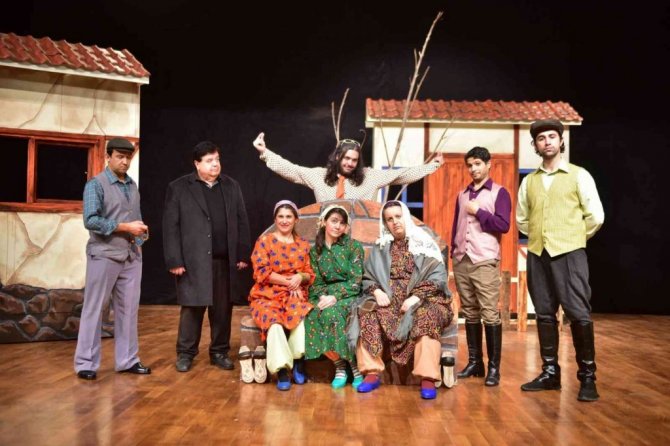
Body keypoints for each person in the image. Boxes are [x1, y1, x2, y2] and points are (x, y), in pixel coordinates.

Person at [517, 119, 604, 402]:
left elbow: (595, 216)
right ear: (535, 145)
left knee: (578, 313)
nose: (547, 142)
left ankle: (587, 377)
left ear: (561, 141)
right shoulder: (529, 181)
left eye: (552, 136)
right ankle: (550, 374)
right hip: (537, 254)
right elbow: (521, 219)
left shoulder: (579, 175)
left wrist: (573, 238)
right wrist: (541, 237)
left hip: (570, 253)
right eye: (541, 138)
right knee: (544, 313)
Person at [349, 200, 453, 399]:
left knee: (427, 316)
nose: (395, 222)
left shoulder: (423, 244)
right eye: (389, 219)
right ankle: (371, 373)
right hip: (389, 297)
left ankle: (428, 377)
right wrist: (376, 291)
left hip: (424, 297)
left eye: (398, 216)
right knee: (365, 311)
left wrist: (415, 297)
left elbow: (438, 277)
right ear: (385, 223)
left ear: (405, 216)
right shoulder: (381, 247)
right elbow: (368, 276)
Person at [162, 141, 251, 373]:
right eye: (209, 161)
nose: (215, 164)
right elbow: (170, 226)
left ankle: (219, 352)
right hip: (193, 261)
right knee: (192, 308)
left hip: (224, 260)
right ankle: (185, 353)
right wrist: (174, 260)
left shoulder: (231, 186)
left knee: (222, 309)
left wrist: (242, 253)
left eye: (217, 159)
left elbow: (242, 220)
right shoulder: (179, 187)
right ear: (197, 164)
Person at [74, 138, 150, 380]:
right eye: (120, 156)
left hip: (131, 256)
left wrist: (139, 238)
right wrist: (125, 227)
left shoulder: (132, 185)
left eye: (128, 157)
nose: (125, 161)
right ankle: (86, 363)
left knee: (128, 310)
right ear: (108, 157)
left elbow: (135, 216)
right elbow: (91, 220)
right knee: (95, 309)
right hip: (104, 255)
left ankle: (128, 360)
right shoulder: (95, 184)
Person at [451, 147, 511, 387]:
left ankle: (494, 368)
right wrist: (454, 253)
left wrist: (479, 212)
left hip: (484, 259)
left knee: (489, 313)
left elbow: (503, 225)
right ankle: (476, 363)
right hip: (461, 259)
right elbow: (456, 226)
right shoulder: (462, 195)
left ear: (488, 164)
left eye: (477, 163)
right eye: (469, 165)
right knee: (470, 312)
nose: (473, 168)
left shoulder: (499, 193)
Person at [252, 132, 443, 202]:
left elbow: (402, 175)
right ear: (337, 157)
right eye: (346, 158)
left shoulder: (370, 177)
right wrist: (265, 152)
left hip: (360, 241)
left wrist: (432, 166)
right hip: (328, 241)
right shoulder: (319, 176)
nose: (350, 163)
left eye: (354, 160)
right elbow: (292, 170)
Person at [248, 200, 315, 391]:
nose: (284, 221)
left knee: (300, 315)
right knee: (274, 323)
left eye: (288, 217)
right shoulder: (265, 241)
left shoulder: (302, 244)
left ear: (296, 219)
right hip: (267, 293)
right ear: (275, 219)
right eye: (281, 217)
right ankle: (283, 370)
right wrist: (289, 282)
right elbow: (261, 272)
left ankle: (298, 360)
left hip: (294, 292)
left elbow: (309, 273)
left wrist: (299, 277)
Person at [304, 205, 365, 389]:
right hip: (323, 295)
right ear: (324, 222)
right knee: (311, 315)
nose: (338, 226)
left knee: (332, 314)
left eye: (342, 223)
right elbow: (316, 282)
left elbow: (356, 281)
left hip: (349, 294)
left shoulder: (353, 247)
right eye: (334, 221)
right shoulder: (315, 251)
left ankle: (353, 367)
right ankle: (339, 364)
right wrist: (324, 297)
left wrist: (335, 297)